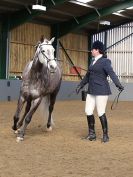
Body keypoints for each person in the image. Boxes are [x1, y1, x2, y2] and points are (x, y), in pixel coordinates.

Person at [76, 40, 124, 143]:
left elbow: (111, 73)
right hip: (91, 90)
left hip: (101, 91)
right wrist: (80, 85)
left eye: (92, 49)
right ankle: (92, 134)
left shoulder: (105, 61)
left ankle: (105, 135)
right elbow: (87, 76)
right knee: (88, 111)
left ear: (97, 50)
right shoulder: (92, 62)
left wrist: (118, 84)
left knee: (101, 112)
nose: (91, 51)